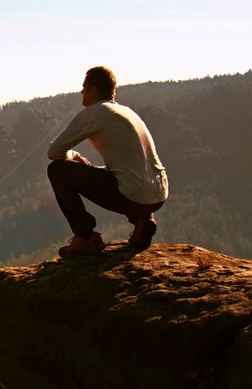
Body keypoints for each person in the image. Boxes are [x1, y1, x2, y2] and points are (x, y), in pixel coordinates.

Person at [47, 66, 168, 259]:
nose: (81, 91)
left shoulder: (96, 112)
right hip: (158, 194)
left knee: (56, 170)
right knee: (121, 177)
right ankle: (142, 219)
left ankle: (85, 237)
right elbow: (126, 168)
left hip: (132, 194)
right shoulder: (127, 111)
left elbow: (54, 152)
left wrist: (72, 155)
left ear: (94, 90)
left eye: (84, 87)